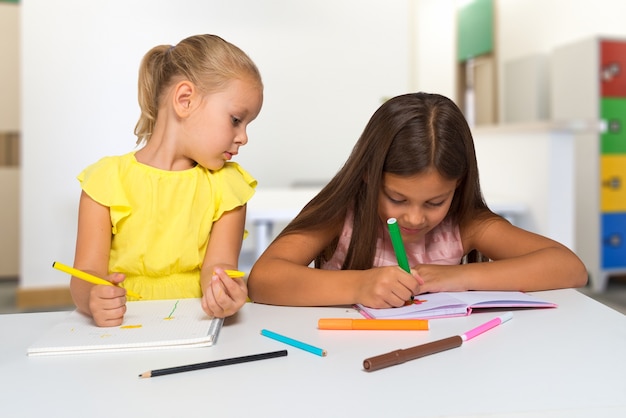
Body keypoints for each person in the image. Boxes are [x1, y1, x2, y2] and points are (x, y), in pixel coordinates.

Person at [248, 92, 587, 308]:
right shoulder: (344, 212)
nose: (413, 218)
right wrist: (359, 285)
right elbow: (264, 280)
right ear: (368, 175)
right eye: (397, 198)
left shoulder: (464, 223)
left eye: (434, 202)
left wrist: (456, 278)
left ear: (458, 187)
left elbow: (569, 268)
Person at [69, 34, 263, 326]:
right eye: (236, 119)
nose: (244, 137)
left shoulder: (227, 186)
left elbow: (220, 266)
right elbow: (85, 275)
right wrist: (93, 298)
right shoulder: (106, 180)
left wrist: (225, 291)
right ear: (185, 100)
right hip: (126, 326)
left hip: (198, 323)